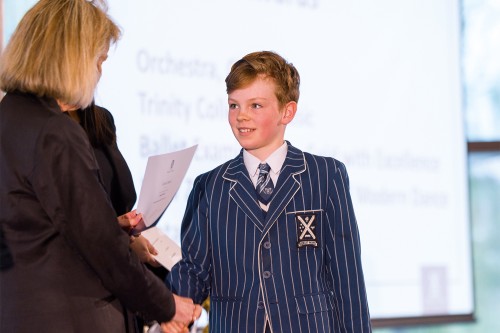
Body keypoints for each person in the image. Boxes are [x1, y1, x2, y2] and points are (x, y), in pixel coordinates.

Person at [0, 1, 200, 332]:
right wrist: (166, 305)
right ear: (72, 58)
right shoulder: (55, 132)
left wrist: (109, 227)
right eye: (98, 60)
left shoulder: (9, 118)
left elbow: (39, 228)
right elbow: (101, 248)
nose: (99, 72)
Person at [166, 50, 372, 332]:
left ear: (287, 112)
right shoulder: (209, 186)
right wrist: (172, 309)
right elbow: (195, 270)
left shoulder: (326, 176)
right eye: (234, 105)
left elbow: (347, 278)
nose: (241, 117)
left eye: (256, 106)